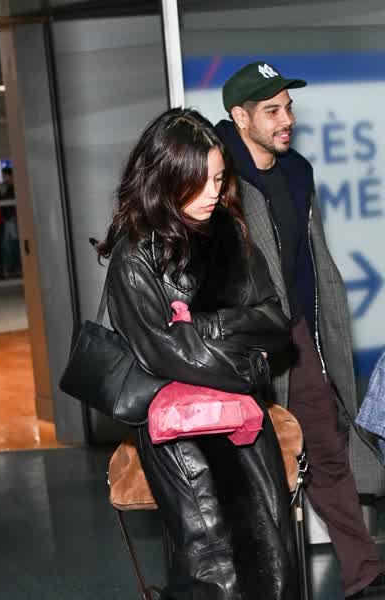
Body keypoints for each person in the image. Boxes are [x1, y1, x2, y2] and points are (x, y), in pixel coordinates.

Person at [98, 108, 299, 599]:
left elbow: (275, 321)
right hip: (181, 435)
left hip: (244, 424)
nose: (214, 191)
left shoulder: (230, 235)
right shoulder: (136, 255)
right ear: (167, 177)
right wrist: (250, 364)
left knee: (274, 559)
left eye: (219, 178)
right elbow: (169, 354)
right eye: (200, 180)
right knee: (212, 567)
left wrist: (209, 324)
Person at [216, 61, 385, 599]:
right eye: (272, 111)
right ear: (240, 117)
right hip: (235, 346)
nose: (286, 119)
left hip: (293, 337)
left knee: (326, 447)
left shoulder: (297, 172)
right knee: (251, 469)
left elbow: (312, 259)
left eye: (288, 108)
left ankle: (364, 572)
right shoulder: (216, 175)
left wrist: (315, 332)